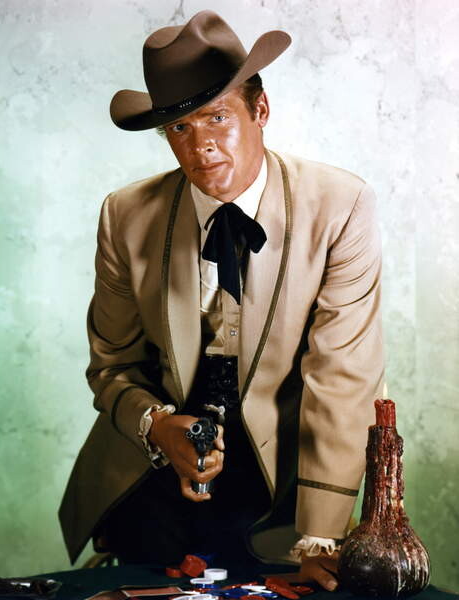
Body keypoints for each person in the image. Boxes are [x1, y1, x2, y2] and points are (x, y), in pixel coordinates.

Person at [59, 10, 384, 591]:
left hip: (280, 490)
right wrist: (159, 426)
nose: (201, 146)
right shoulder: (125, 215)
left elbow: (343, 381)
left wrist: (320, 538)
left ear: (261, 110)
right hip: (149, 483)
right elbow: (111, 368)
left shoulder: (341, 206)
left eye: (217, 117)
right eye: (179, 128)